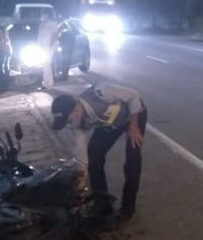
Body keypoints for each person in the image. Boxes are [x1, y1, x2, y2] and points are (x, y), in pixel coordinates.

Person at [51, 83, 147, 221]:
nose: (69, 124)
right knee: (94, 156)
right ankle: (102, 203)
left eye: (68, 119)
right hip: (110, 124)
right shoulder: (77, 124)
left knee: (132, 162)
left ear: (76, 109)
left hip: (133, 115)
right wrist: (81, 183)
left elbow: (134, 95)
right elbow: (82, 159)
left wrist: (133, 126)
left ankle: (127, 209)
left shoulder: (102, 92)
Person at [37, 11, 59, 89]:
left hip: (49, 47)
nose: (41, 16)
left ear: (47, 14)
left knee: (46, 64)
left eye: (42, 14)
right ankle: (48, 82)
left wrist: (50, 47)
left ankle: (46, 84)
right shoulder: (42, 24)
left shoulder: (52, 23)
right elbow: (40, 36)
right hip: (42, 47)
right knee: (45, 65)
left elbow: (55, 36)